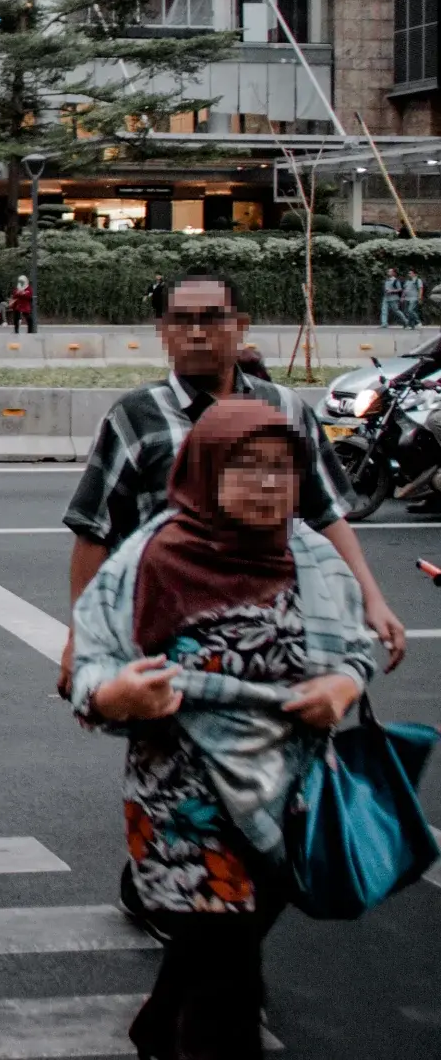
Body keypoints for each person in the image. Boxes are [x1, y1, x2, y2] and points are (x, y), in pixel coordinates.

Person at [69, 399, 376, 1060]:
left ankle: (158, 1025)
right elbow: (91, 668)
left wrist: (343, 686)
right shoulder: (150, 558)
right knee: (231, 986)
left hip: (290, 797)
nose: (268, 485)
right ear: (204, 470)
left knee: (221, 946)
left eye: (283, 468)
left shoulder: (314, 556)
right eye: (246, 467)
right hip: (184, 803)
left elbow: (358, 646)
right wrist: (121, 694)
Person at [59, 270, 406, 698]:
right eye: (182, 321)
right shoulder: (135, 416)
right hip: (172, 633)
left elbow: (327, 516)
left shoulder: (284, 408)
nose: (198, 332)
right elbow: (94, 531)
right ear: (163, 332)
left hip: (280, 632)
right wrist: (81, 636)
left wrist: (372, 599)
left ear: (241, 326)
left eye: (213, 318)